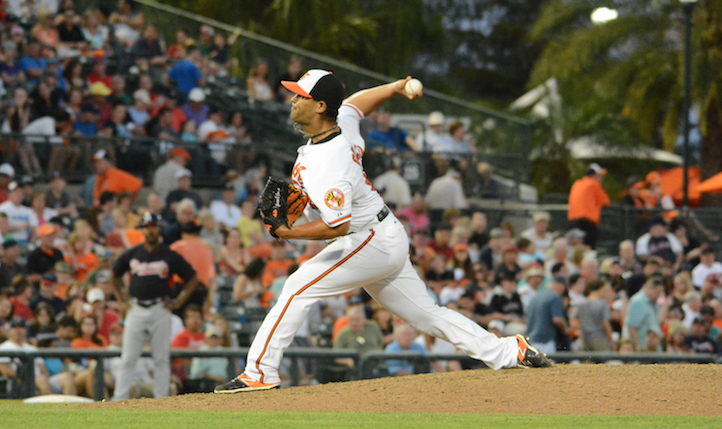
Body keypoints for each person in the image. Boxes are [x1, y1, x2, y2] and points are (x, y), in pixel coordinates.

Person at [214, 71, 549, 394]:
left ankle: (259, 372)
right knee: (425, 316)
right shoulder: (337, 122)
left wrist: (289, 233)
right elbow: (356, 104)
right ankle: (509, 351)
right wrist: (396, 86)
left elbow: (338, 224)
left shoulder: (330, 161)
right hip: (380, 234)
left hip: (367, 238)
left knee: (297, 287)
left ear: (318, 106)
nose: (291, 100)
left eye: (300, 95)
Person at [110, 212, 199, 400]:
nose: (151, 230)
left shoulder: (169, 255)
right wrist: (121, 301)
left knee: (160, 358)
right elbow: (113, 274)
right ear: (142, 229)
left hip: (160, 309)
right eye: (147, 226)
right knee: (128, 357)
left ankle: (161, 400)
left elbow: (192, 278)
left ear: (159, 229)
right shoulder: (133, 253)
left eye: (153, 226)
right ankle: (119, 398)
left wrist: (178, 302)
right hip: (136, 308)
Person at [567, 163, 610, 249]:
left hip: (573, 222)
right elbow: (607, 202)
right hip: (587, 223)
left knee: (574, 250)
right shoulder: (593, 184)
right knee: (589, 251)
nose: (601, 178)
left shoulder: (577, 183)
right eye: (599, 175)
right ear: (594, 175)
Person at [525, 276, 568, 355]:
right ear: (560, 285)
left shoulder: (535, 296)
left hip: (530, 340)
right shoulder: (555, 297)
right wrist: (566, 329)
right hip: (545, 341)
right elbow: (557, 319)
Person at [622, 277, 664, 352]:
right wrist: (637, 348)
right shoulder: (638, 302)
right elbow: (632, 327)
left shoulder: (652, 303)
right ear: (650, 289)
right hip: (642, 347)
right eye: (658, 292)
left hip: (651, 348)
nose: (659, 296)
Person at [573, 279, 614, 351]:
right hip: (600, 338)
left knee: (587, 361)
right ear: (601, 288)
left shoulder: (581, 303)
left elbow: (575, 320)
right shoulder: (602, 303)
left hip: (585, 339)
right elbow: (605, 323)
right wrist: (611, 340)